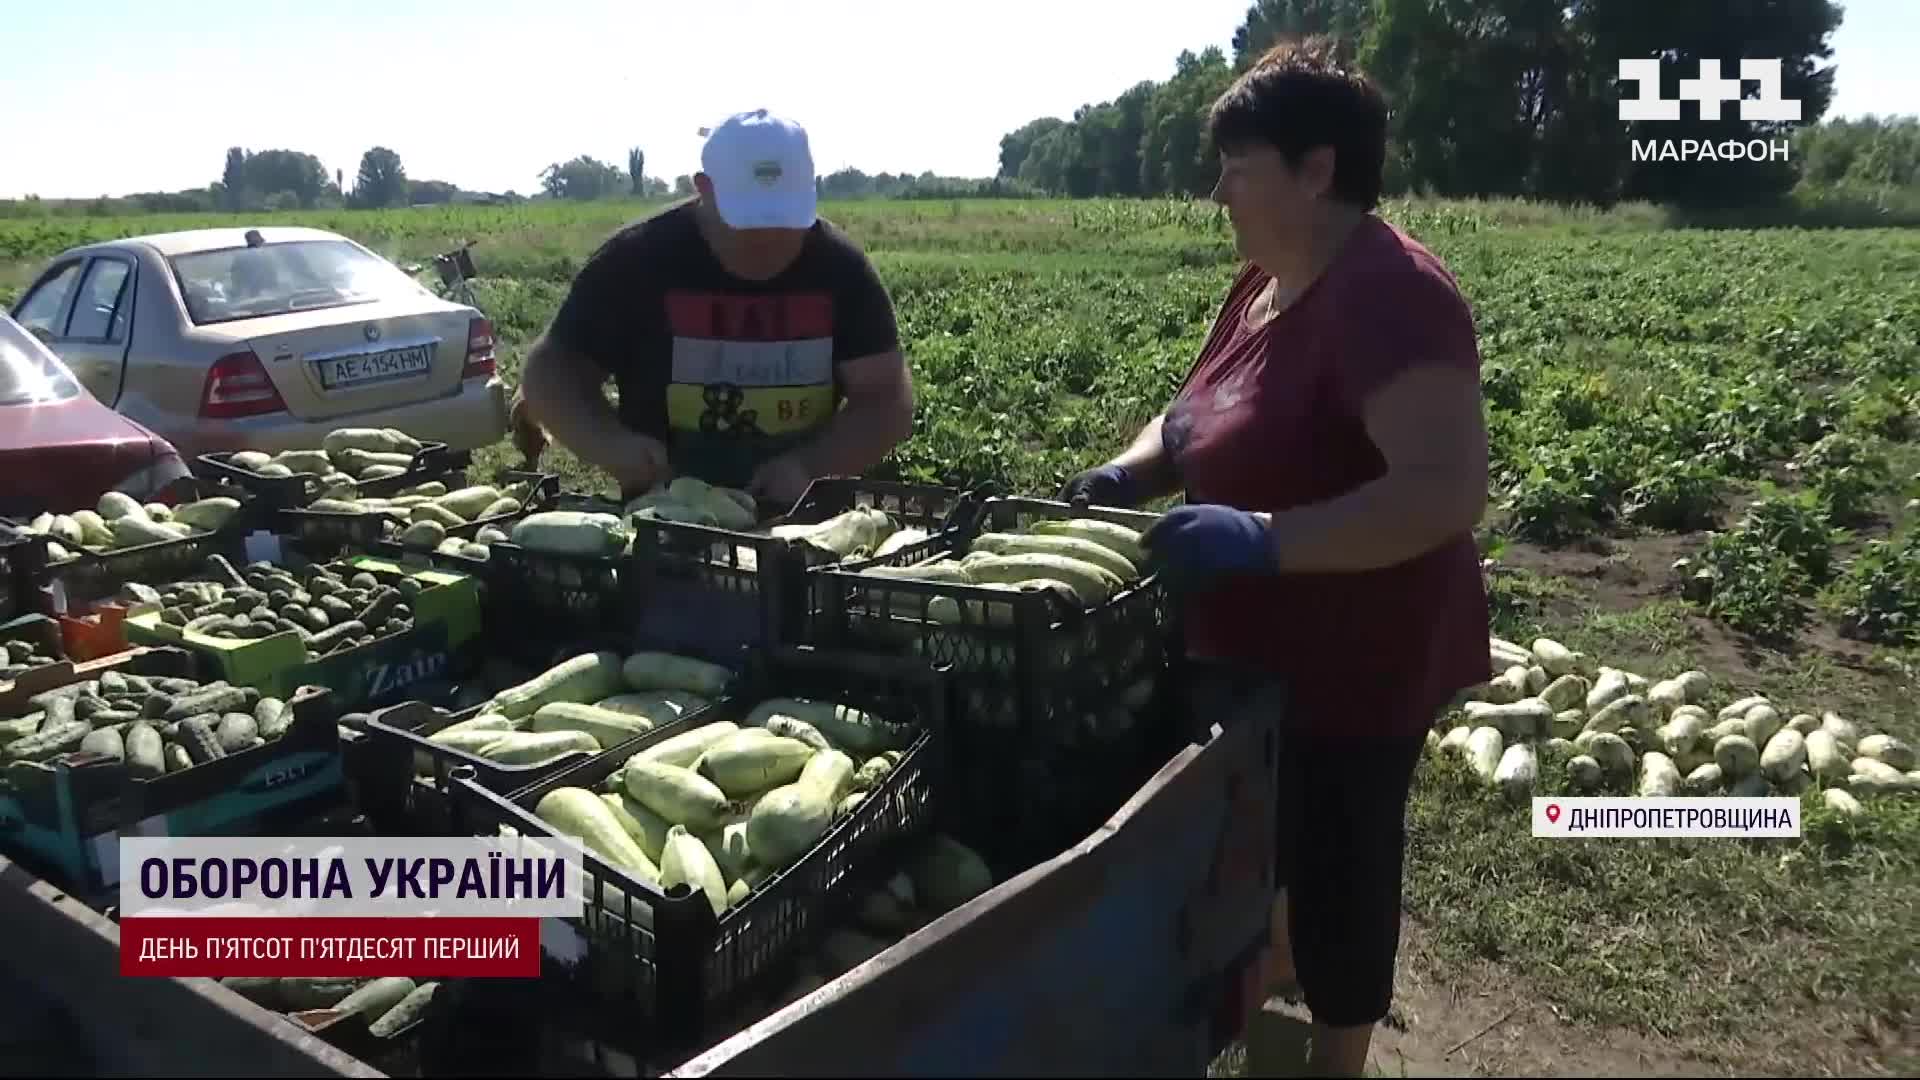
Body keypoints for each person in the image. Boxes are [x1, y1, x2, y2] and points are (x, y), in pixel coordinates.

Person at [1058, 38, 1491, 1078]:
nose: (1218, 192)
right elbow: (1192, 419)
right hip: (1249, 654)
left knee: (1340, 866)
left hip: (1357, 663)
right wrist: (1126, 475)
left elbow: (1442, 490)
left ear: (1318, 170)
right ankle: (1267, 996)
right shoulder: (1264, 283)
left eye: (1238, 168)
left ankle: (1334, 1059)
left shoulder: (1392, 294)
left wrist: (1265, 538)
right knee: (1260, 853)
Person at [518, 109, 915, 507]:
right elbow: (552, 371)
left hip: (804, 525)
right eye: (749, 222)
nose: (770, 238)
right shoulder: (636, 260)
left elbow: (884, 397)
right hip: (669, 520)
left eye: (785, 220)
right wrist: (612, 446)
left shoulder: (841, 269)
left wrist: (810, 466)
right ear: (704, 188)